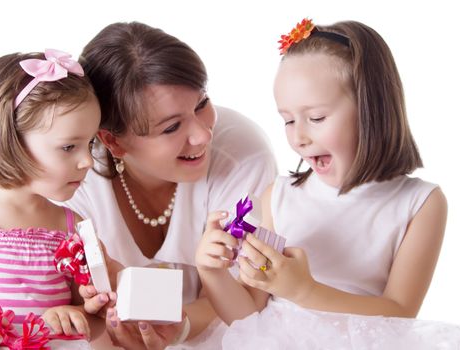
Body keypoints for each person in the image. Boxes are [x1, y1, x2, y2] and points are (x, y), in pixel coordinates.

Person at [196, 19, 460, 349]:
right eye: (288, 120)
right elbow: (249, 315)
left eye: (316, 118)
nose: (299, 137)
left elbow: (400, 313)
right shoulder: (278, 195)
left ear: (370, 109)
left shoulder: (420, 203)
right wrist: (211, 272)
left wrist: (304, 291)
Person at [64, 21, 277, 349]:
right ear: (112, 141)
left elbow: (250, 295)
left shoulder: (241, 155)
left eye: (202, 103)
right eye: (172, 127)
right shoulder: (74, 176)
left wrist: (181, 325)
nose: (203, 135)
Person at [0, 49, 101, 350]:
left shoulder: (72, 227)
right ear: (10, 140)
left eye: (90, 144)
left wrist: (73, 315)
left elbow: (94, 314)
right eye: (68, 147)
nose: (87, 160)